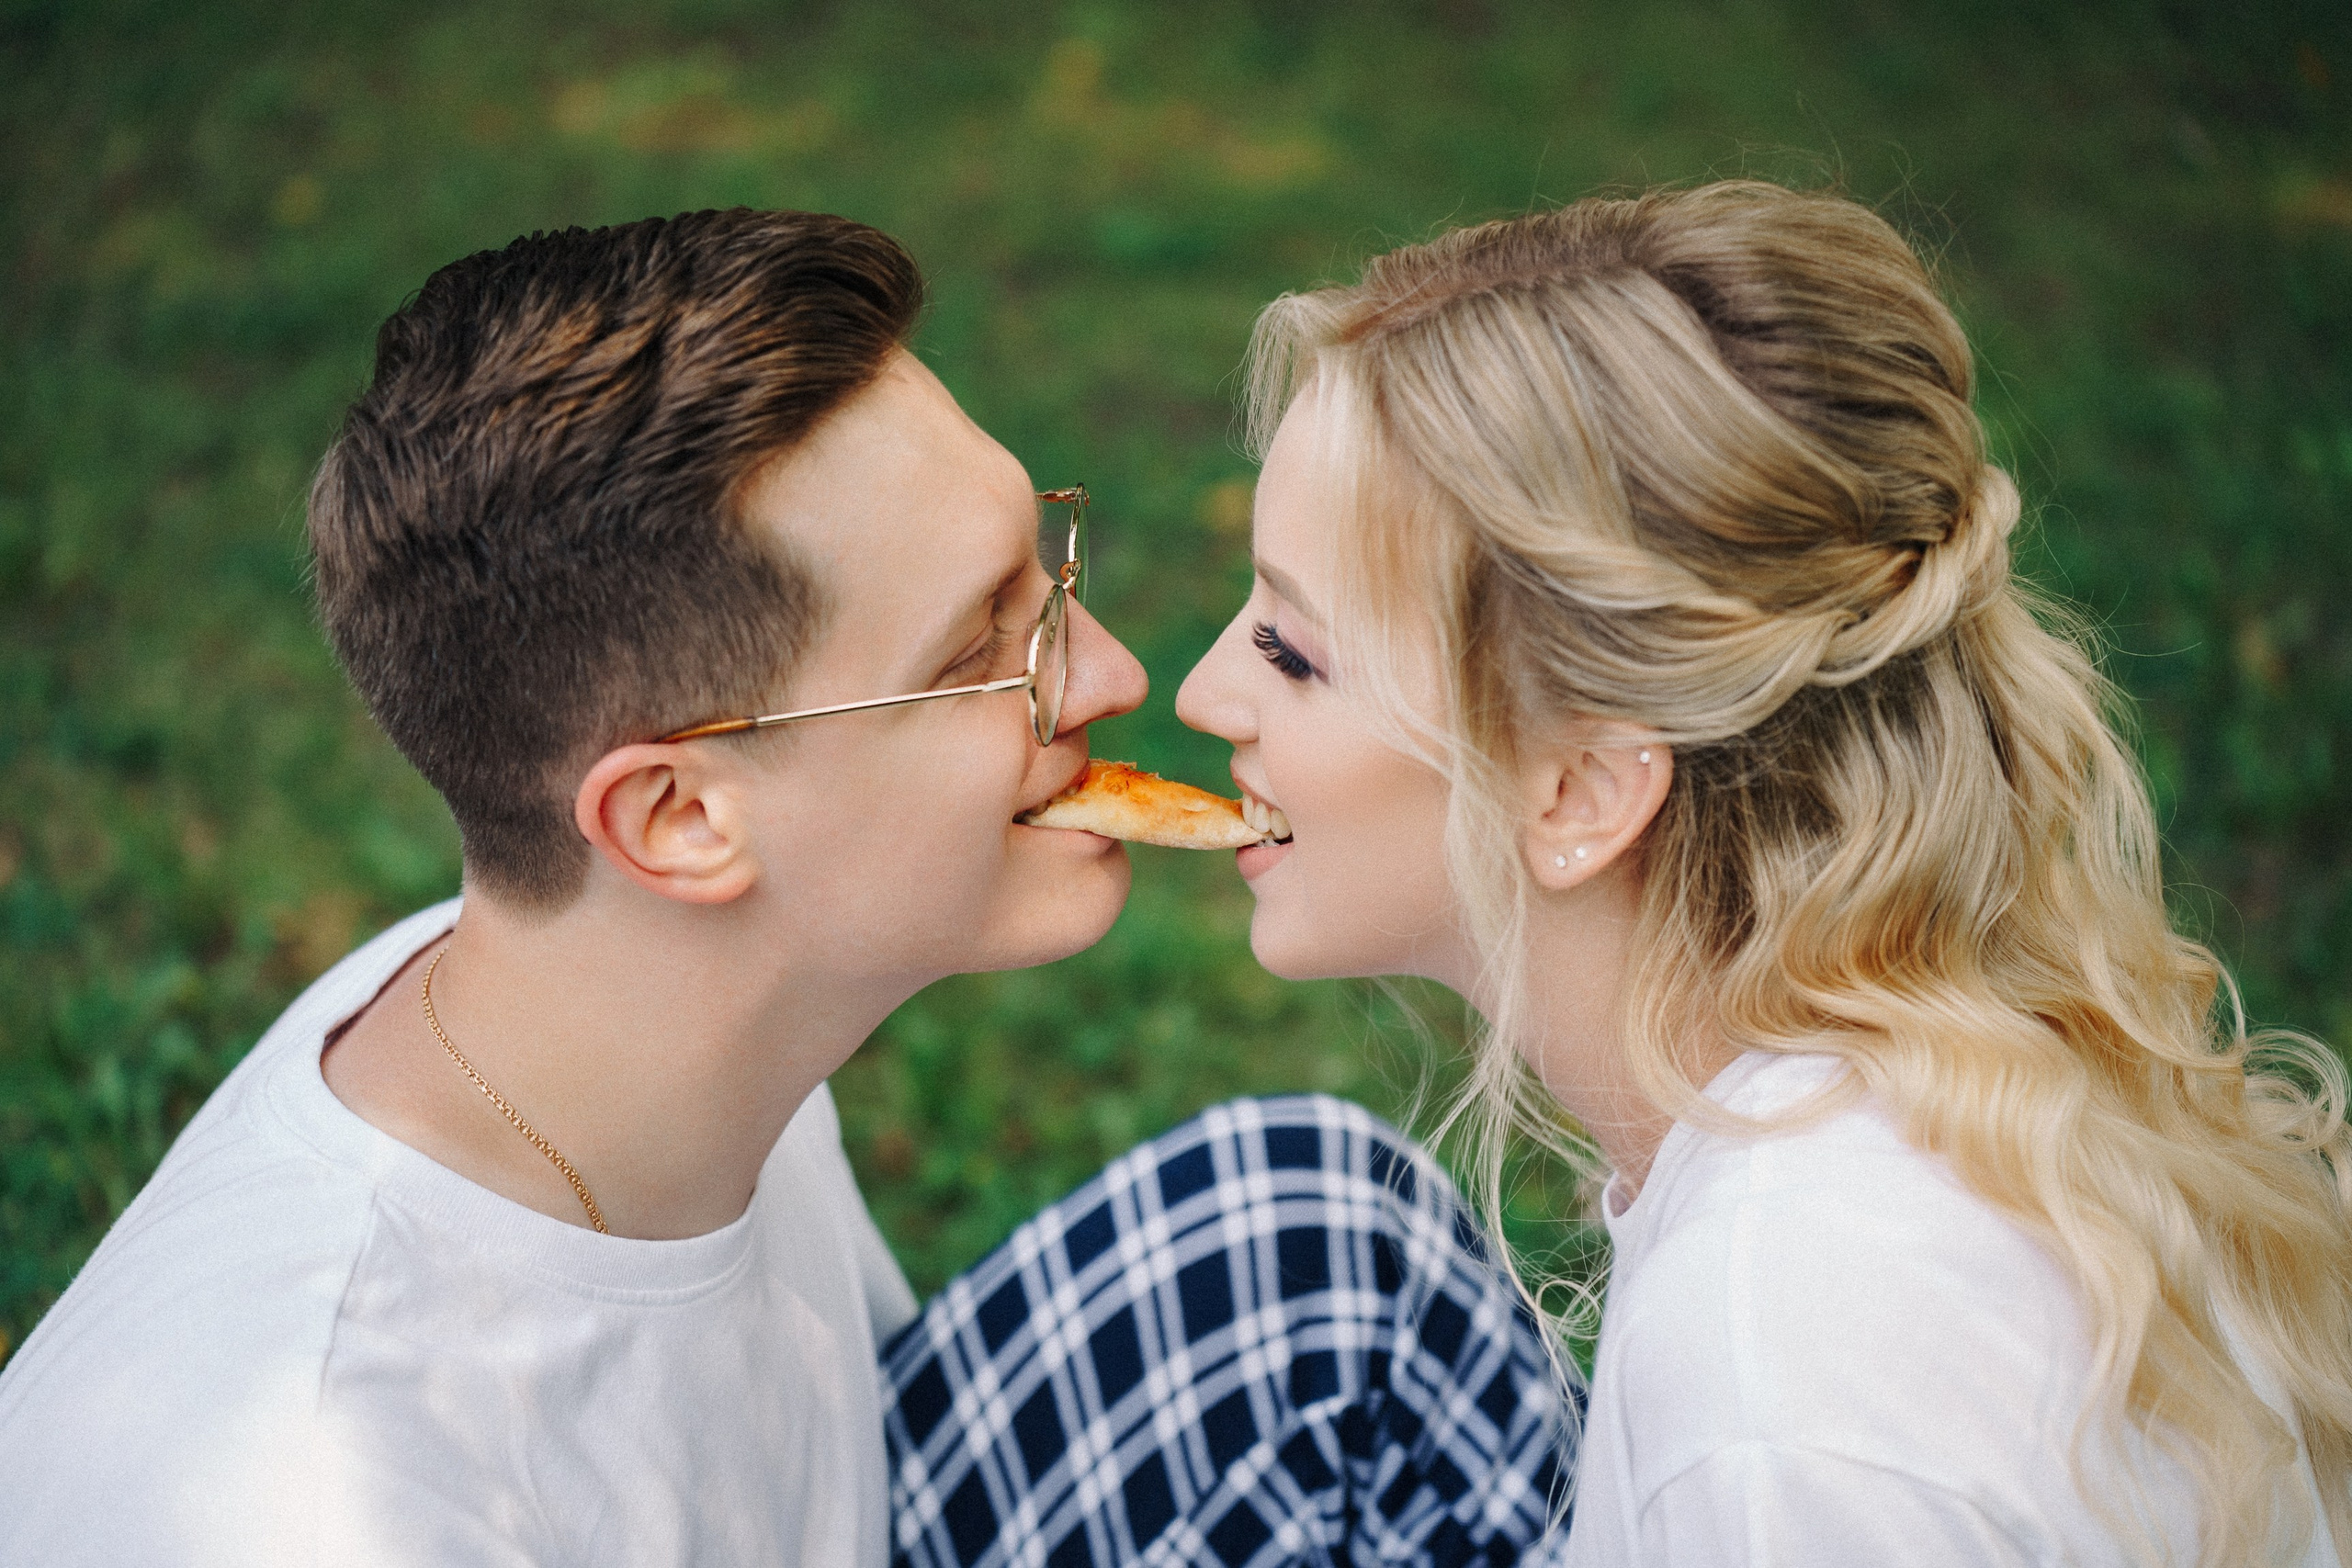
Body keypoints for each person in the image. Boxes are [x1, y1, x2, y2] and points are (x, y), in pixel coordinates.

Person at [0, 209, 1568, 1566]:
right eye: (978, 650)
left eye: (1053, 583)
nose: (1115, 675)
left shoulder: (624, 1007)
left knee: (1300, 1231)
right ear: (679, 818)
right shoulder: (329, 1507)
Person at [1176, 179, 2352, 1566]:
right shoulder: (1922, 1115)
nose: (1201, 695)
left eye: (1294, 654)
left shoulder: (1776, 1419)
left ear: (1584, 789)